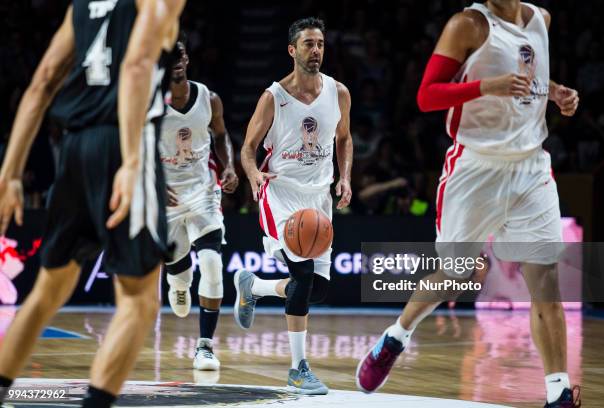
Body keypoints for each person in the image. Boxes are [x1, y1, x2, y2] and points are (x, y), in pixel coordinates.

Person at [355, 2, 581, 408]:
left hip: (531, 166)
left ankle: (559, 394)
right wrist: (485, 86)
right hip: (476, 167)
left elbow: (530, 79)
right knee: (459, 274)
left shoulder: (542, 19)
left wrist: (554, 92)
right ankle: (396, 337)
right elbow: (426, 97)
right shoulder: (468, 25)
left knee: (545, 282)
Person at [0, 1, 185, 407]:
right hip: (124, 140)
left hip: (74, 146)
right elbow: (137, 64)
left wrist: (10, 173)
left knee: (48, 290)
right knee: (139, 300)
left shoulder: (81, 4)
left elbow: (43, 80)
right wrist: (132, 158)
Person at [235, 17, 353, 395]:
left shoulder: (339, 93)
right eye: (308, 44)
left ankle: (253, 287)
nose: (315, 50)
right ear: (292, 50)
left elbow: (344, 139)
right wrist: (252, 174)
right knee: (302, 279)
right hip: (281, 194)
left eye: (320, 44)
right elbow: (248, 149)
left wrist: (345, 176)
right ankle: (297, 369)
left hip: (318, 199)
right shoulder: (274, 97)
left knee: (315, 289)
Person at [160, 35, 238, 371]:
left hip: (203, 191)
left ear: (187, 60)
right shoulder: (150, 102)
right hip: (166, 196)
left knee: (212, 265)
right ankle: (177, 281)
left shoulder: (210, 98)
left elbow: (220, 135)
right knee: (179, 270)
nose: (177, 60)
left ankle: (204, 346)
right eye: (170, 56)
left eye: (181, 55)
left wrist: (230, 166)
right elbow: (133, 146)